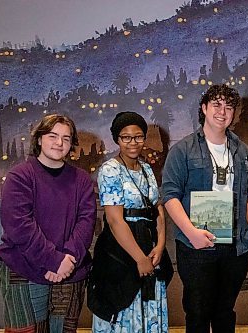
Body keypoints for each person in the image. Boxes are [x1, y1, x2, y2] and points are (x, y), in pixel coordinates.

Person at [162, 84, 248, 333]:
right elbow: (170, 196)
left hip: (234, 246)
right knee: (198, 311)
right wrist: (192, 233)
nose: (222, 112)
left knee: (225, 312)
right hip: (196, 246)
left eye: (228, 107)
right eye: (216, 105)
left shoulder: (242, 151)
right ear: (204, 108)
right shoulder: (182, 150)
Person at [0, 114, 97, 333]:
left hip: (70, 270)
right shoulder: (20, 176)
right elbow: (19, 225)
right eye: (53, 136)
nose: (59, 143)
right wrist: (53, 260)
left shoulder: (81, 179)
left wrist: (65, 260)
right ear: (39, 139)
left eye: (66, 138)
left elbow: (86, 222)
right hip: (23, 269)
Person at [89, 112, 170, 332]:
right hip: (121, 251)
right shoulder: (110, 170)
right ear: (117, 139)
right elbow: (115, 221)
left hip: (151, 246)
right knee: (123, 304)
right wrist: (140, 259)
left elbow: (158, 209)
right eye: (126, 137)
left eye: (138, 136)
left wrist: (160, 245)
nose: (133, 142)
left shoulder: (147, 169)